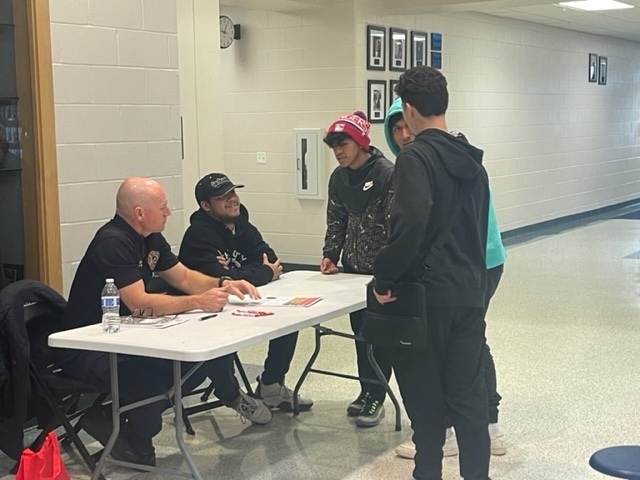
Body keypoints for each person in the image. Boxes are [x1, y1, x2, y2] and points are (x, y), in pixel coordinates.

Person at [59, 177, 271, 468]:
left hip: (128, 335)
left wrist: (224, 282)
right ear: (139, 213)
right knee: (149, 376)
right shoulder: (113, 241)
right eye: (163, 207)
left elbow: (183, 277)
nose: (169, 212)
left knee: (194, 365)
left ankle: (119, 423)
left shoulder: (151, 239)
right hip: (89, 345)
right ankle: (131, 435)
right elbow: (139, 302)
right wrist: (197, 301)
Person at [372, 66, 491, 480]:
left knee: (425, 405)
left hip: (426, 298)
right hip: (469, 293)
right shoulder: (473, 161)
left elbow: (409, 227)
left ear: (408, 108)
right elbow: (478, 230)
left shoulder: (415, 157)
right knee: (469, 401)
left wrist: (383, 278)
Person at [179, 173, 313, 412]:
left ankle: (271, 386)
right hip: (206, 311)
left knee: (290, 318)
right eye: (223, 197)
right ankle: (231, 395)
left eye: (233, 193)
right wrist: (259, 271)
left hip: (242, 302)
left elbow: (272, 262)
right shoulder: (199, 235)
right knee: (220, 334)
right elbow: (219, 281)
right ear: (205, 205)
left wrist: (239, 271)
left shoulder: (243, 225)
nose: (232, 200)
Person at [320, 110, 395, 428]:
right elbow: (336, 219)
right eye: (334, 145)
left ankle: (377, 396)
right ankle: (366, 391)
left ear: (361, 142)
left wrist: (392, 273)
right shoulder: (338, 178)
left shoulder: (387, 174)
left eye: (344, 143)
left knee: (381, 338)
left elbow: (396, 227)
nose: (338, 150)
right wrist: (330, 255)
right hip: (352, 271)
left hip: (382, 273)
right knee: (361, 336)